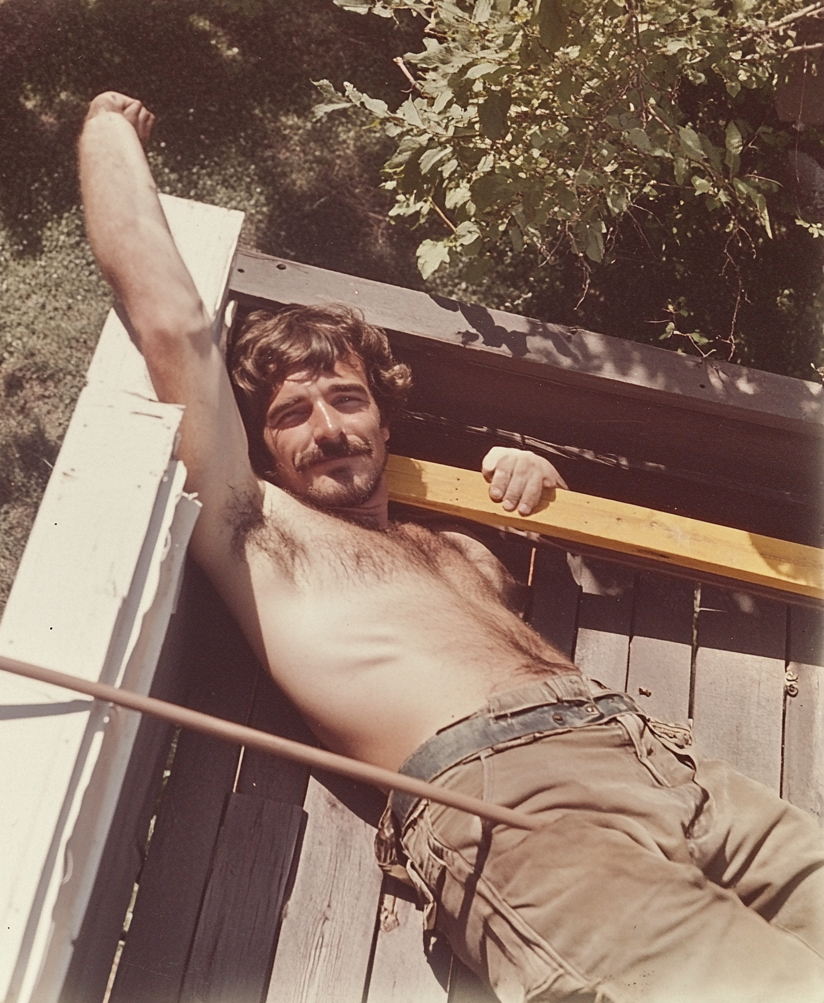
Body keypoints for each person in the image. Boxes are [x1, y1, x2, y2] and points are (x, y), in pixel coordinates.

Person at [78, 91, 824, 1003]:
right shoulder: (259, 532)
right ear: (261, 447)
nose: (326, 429)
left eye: (346, 400)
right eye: (290, 416)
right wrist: (107, 130)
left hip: (671, 764)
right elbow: (173, 324)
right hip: (516, 808)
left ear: (384, 417)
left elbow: (494, 625)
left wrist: (530, 473)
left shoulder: (457, 551)